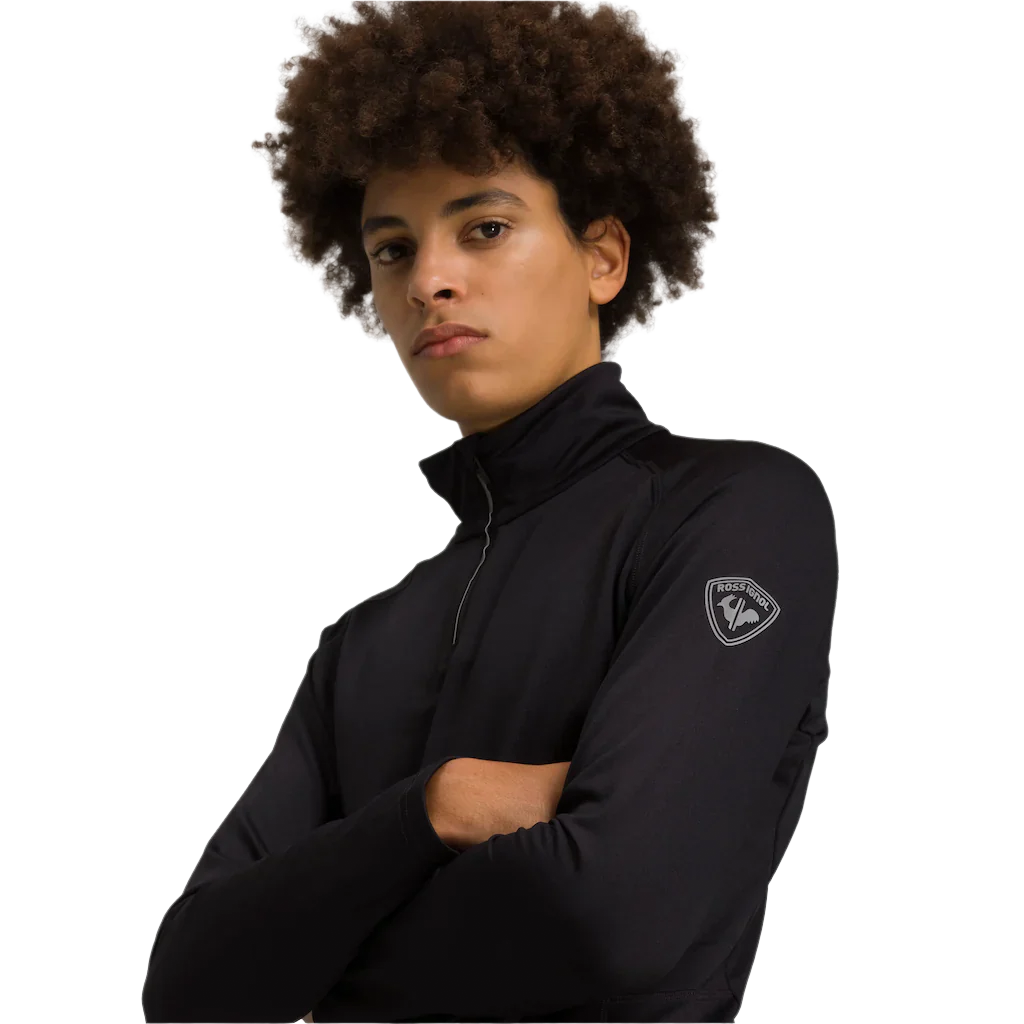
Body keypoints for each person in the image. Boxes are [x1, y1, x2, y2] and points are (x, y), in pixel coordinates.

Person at [141, 3, 838, 1022]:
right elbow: (188, 985)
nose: (429, 280)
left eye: (485, 229)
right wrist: (436, 807)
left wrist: (316, 954)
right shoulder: (360, 647)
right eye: (391, 249)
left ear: (603, 258)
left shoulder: (736, 515)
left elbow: (613, 916)